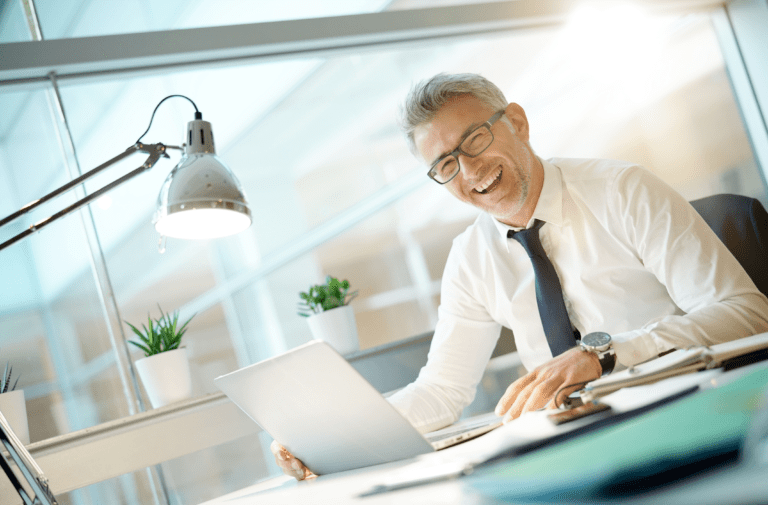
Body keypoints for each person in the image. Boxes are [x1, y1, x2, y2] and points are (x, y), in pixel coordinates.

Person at [272, 73, 768, 480]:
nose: (469, 171)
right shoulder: (470, 258)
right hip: (575, 448)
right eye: (446, 164)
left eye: (475, 140)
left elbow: (747, 314)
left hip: (693, 418)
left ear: (516, 122)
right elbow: (442, 390)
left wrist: (604, 356)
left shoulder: (623, 190)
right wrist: (336, 439)